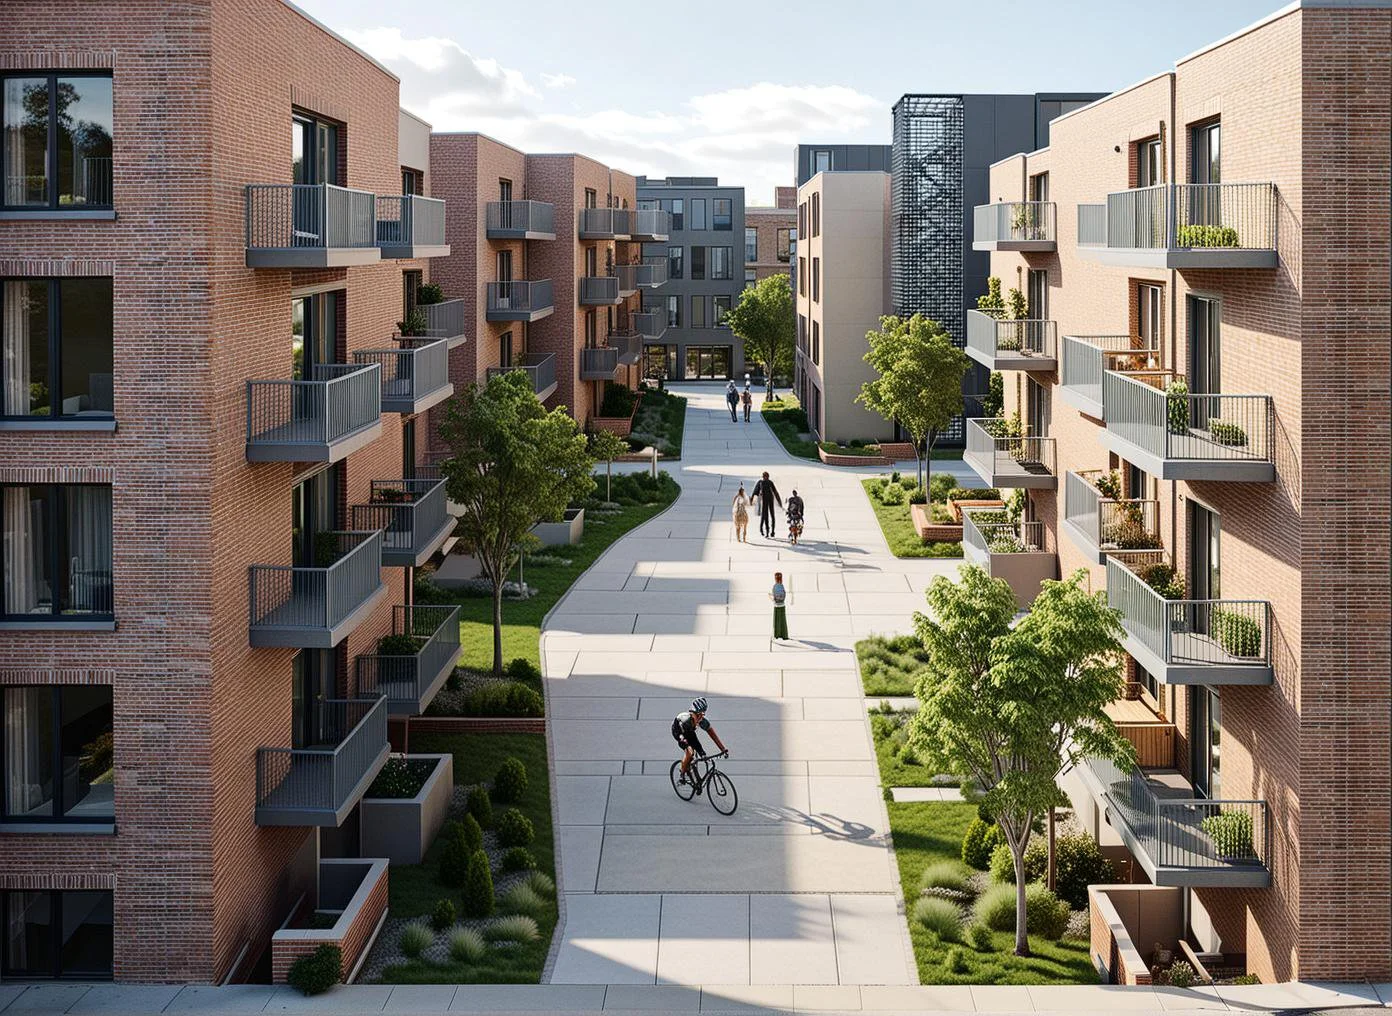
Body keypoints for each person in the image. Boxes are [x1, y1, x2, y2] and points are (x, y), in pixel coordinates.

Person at [672, 697, 729, 791]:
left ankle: (695, 774)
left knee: (702, 753)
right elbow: (682, 736)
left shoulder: (702, 721)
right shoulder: (686, 720)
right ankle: (682, 774)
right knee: (690, 752)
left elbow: (713, 735)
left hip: (690, 732)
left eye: (702, 715)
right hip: (679, 732)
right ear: (692, 713)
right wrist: (684, 741)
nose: (700, 718)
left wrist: (723, 749)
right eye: (698, 715)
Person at [751, 471, 782, 539]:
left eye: (766, 476)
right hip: (765, 500)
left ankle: (772, 531)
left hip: (770, 500)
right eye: (764, 476)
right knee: (766, 516)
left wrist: (780, 502)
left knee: (771, 515)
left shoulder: (770, 482)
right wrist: (752, 499)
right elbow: (755, 492)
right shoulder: (761, 483)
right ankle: (767, 531)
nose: (765, 478)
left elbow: (775, 492)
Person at [770, 572, 789, 641]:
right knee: (783, 621)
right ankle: (784, 635)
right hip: (782, 605)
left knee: (777, 621)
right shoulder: (781, 586)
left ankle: (777, 634)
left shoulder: (775, 586)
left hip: (777, 605)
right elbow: (783, 595)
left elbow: (775, 596)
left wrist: (773, 598)